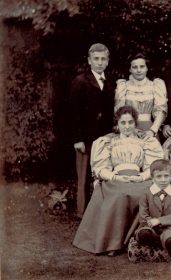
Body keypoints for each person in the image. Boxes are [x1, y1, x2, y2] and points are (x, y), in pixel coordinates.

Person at [72, 105, 164, 256]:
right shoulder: (108, 141)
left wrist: (140, 177)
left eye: (130, 123)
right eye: (123, 123)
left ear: (135, 123)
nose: (127, 127)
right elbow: (101, 168)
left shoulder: (145, 141)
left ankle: (137, 238)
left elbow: (153, 167)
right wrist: (116, 177)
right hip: (115, 179)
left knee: (147, 193)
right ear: (118, 124)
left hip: (138, 179)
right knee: (119, 194)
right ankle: (112, 243)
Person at [69, 43, 115, 217]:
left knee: (101, 172)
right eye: (96, 59)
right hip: (85, 137)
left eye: (103, 59)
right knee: (84, 175)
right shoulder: (80, 81)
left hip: (103, 137)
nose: (100, 62)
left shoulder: (109, 82)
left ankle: (98, 210)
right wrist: (77, 138)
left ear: (108, 61)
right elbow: (73, 113)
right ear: (89, 60)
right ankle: (83, 212)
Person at [115, 53, 167, 138]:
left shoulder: (155, 85)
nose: (139, 70)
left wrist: (152, 131)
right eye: (135, 67)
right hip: (128, 129)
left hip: (149, 129)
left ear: (147, 68)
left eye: (142, 66)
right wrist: (133, 130)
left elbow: (161, 112)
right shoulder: (123, 86)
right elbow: (119, 113)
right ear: (130, 69)